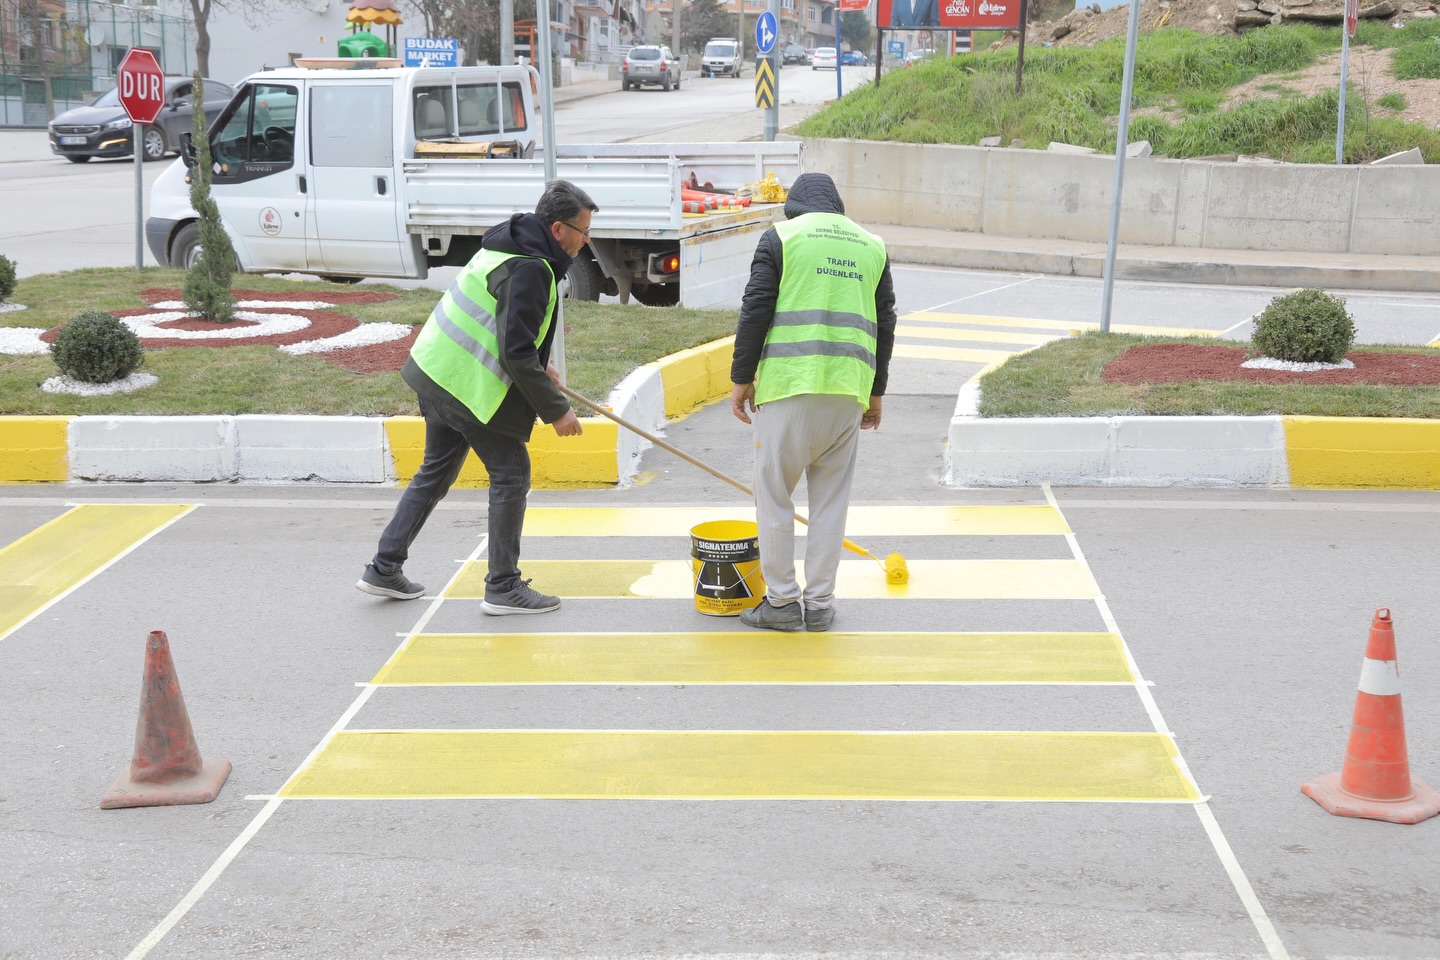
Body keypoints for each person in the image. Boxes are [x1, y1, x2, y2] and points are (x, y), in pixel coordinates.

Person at [356, 179, 597, 615]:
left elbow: (504, 327)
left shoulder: (509, 245)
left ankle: (384, 567)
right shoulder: (531, 268)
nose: (587, 240)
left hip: (434, 371)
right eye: (584, 231)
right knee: (511, 474)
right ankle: (503, 586)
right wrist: (556, 410)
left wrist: (542, 368)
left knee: (436, 471)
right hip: (462, 385)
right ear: (559, 230)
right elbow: (514, 349)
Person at [729, 172, 897, 633]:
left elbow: (756, 307)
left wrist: (742, 378)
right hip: (847, 392)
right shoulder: (871, 245)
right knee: (830, 503)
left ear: (795, 208)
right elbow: (885, 322)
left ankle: (781, 603)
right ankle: (820, 604)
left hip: (789, 389)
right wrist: (875, 392)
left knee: (774, 497)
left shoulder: (781, 237)